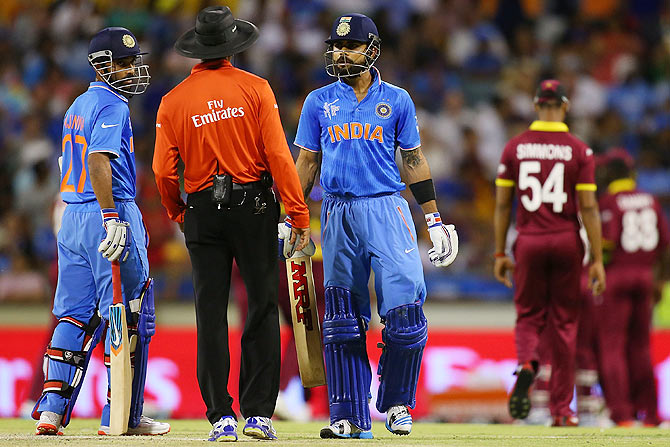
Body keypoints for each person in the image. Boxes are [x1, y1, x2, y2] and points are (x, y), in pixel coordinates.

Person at [292, 13, 458, 439]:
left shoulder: (398, 100)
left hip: (387, 208)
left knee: (405, 315)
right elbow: (307, 162)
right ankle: (348, 417)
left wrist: (434, 218)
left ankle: (398, 403)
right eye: (335, 46)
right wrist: (292, 217)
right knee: (343, 320)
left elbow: (414, 160)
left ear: (372, 49)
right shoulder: (317, 101)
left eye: (349, 46)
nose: (339, 53)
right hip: (336, 212)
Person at [152, 6, 310, 442]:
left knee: (210, 312)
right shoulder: (256, 88)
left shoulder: (173, 100)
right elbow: (279, 156)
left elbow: (164, 171)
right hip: (254, 208)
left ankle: (220, 416)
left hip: (202, 210)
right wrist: (297, 213)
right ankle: (259, 414)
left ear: (197, 50)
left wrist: (177, 211)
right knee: (260, 308)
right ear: (234, 47)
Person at [32, 27, 169, 436]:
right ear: (100, 65)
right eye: (122, 63)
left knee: (72, 318)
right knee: (130, 314)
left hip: (71, 216)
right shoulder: (114, 106)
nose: (131, 70)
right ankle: (123, 417)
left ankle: (51, 411)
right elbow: (98, 161)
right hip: (107, 212)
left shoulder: (77, 104)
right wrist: (111, 216)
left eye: (132, 62)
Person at [493, 79, 606, 427]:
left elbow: (501, 205)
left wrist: (499, 252)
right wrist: (598, 259)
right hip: (566, 239)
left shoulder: (514, 147)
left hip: (528, 240)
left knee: (529, 316)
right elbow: (588, 207)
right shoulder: (580, 150)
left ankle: (527, 362)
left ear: (536, 105)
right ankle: (562, 410)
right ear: (565, 106)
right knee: (565, 324)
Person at [594, 149, 670, 426]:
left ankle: (622, 414)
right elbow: (665, 245)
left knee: (612, 347)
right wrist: (660, 279)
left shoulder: (609, 202)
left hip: (617, 277)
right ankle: (650, 414)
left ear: (611, 174)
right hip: (646, 276)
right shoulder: (650, 200)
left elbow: (607, 243)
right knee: (641, 348)